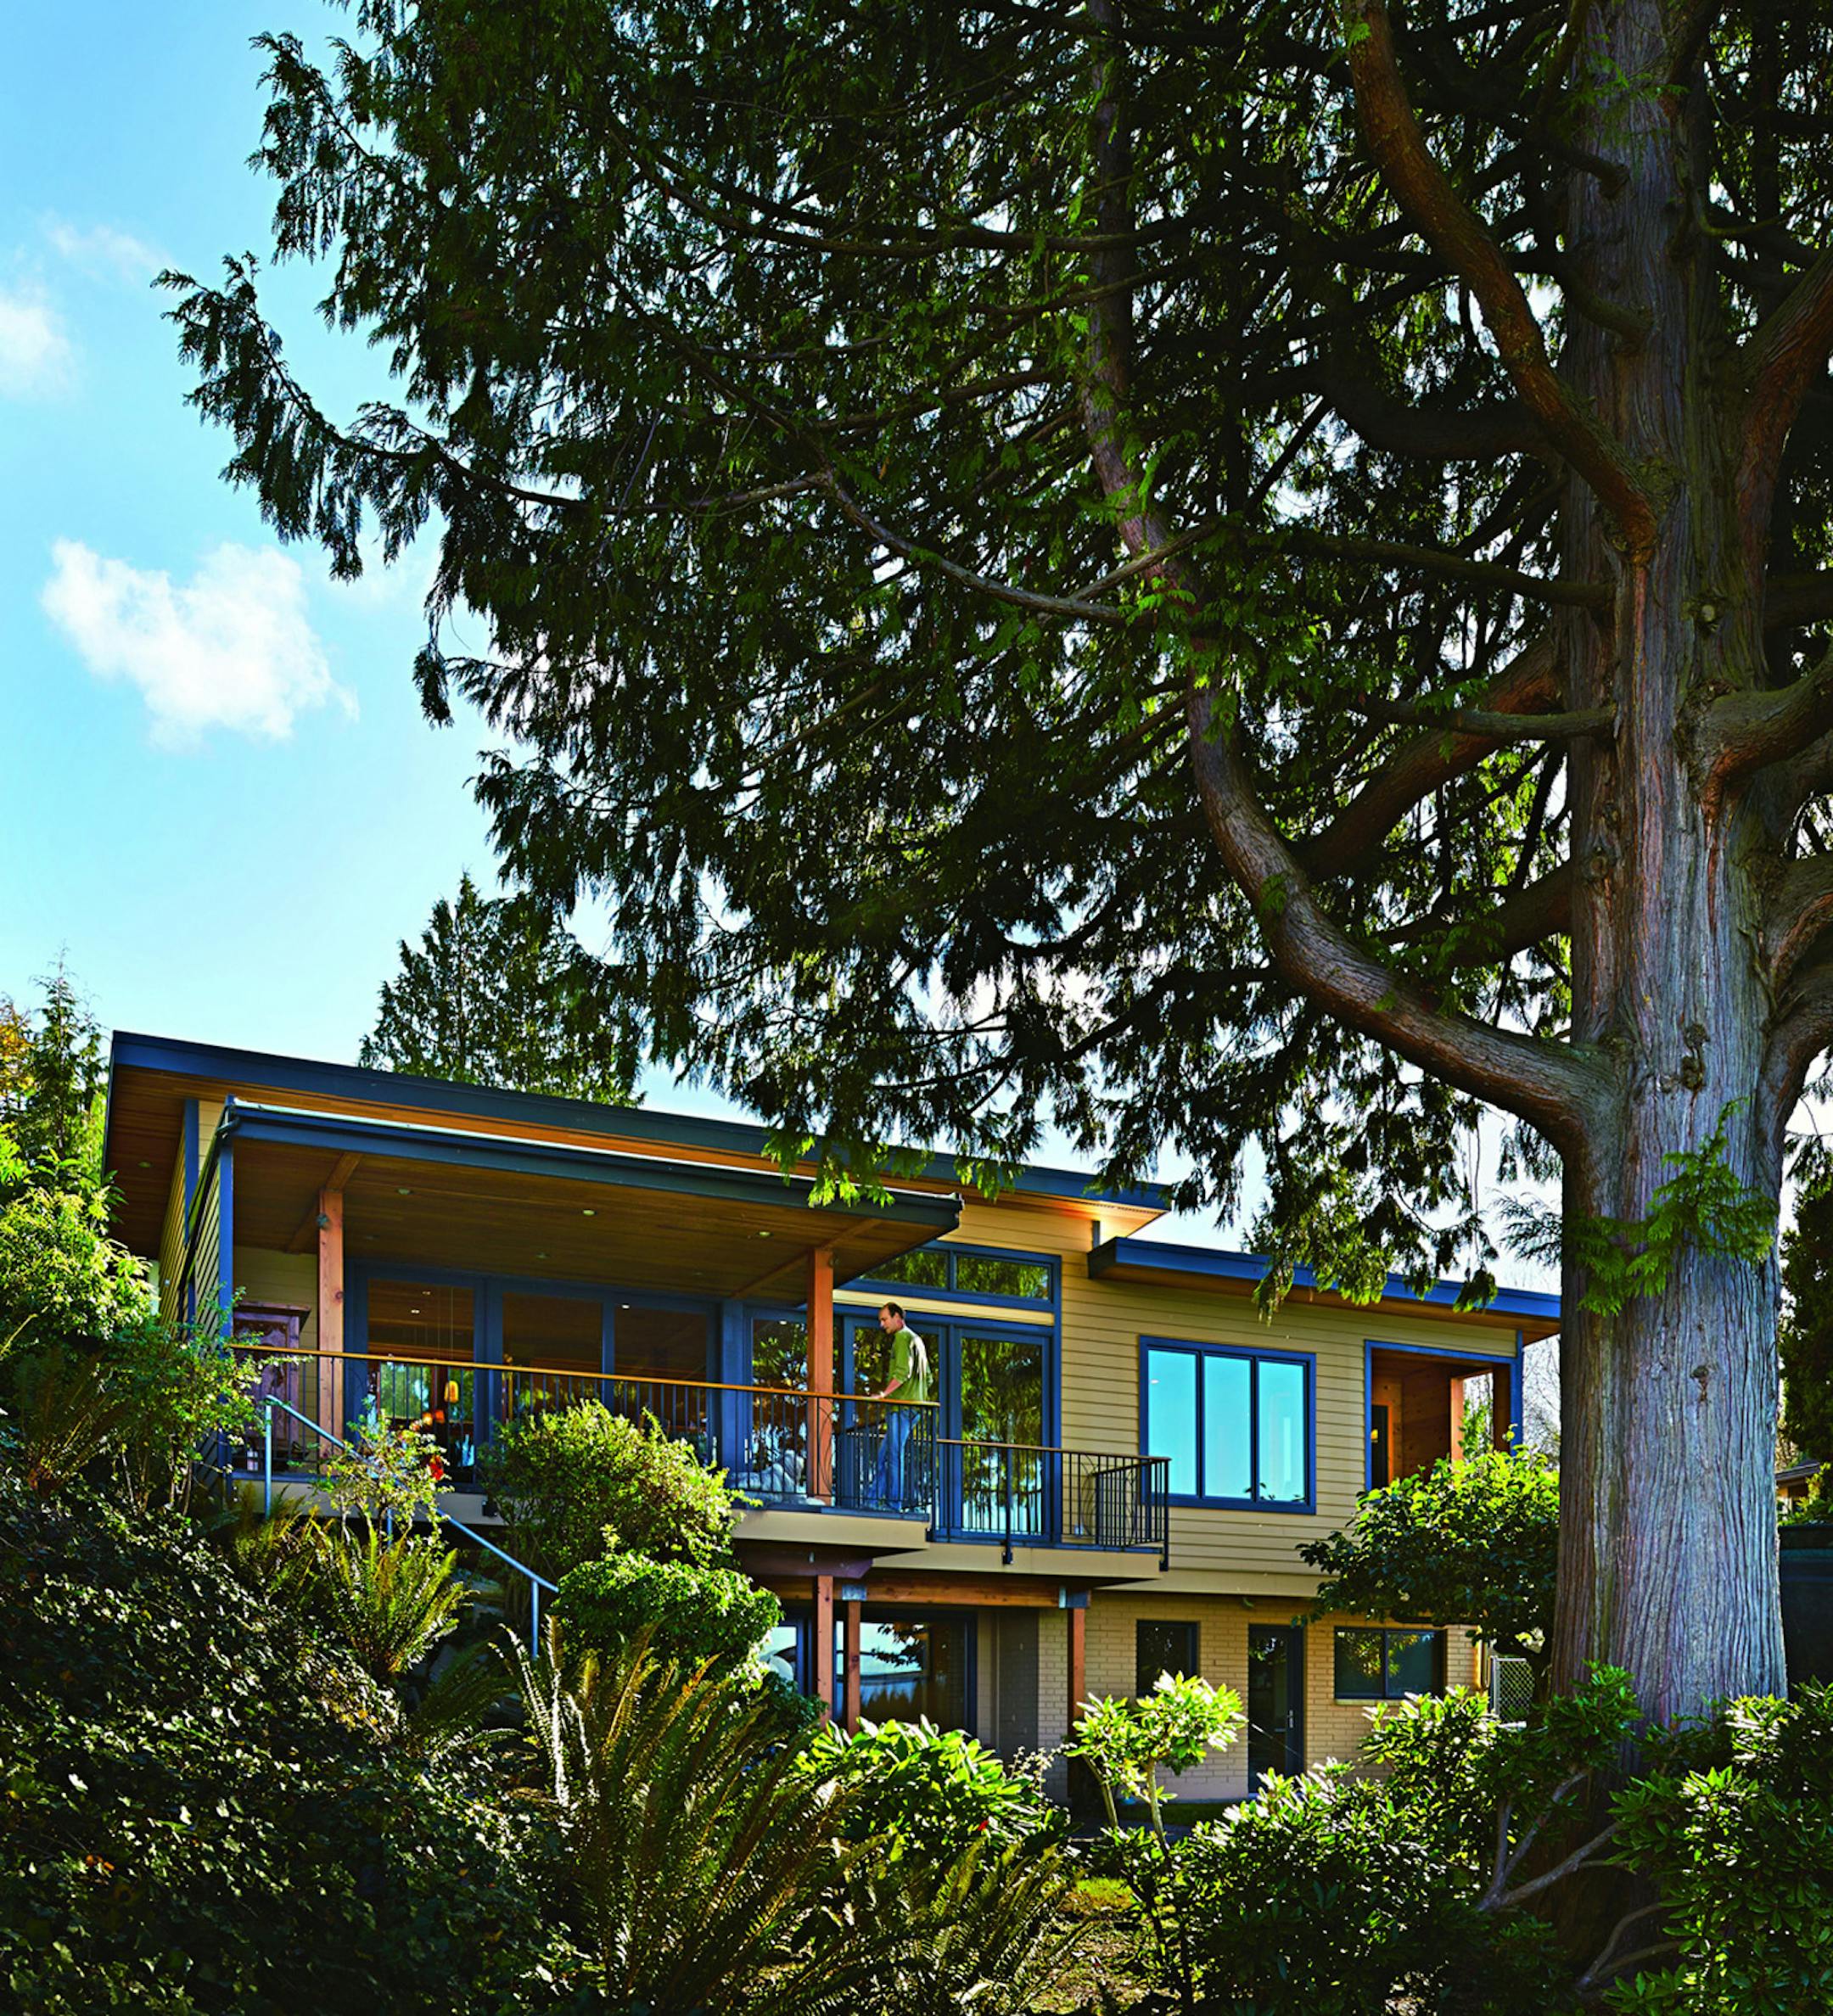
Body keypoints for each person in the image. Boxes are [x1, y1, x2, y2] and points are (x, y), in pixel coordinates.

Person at [872, 1301, 932, 1509]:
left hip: (901, 1407)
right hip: (914, 1408)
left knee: (893, 1456)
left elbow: (903, 1373)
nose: (882, 1325)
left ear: (898, 1318)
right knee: (884, 1455)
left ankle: (893, 1504)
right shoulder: (918, 1341)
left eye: (885, 1319)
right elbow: (929, 1379)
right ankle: (872, 1500)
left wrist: (883, 1394)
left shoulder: (902, 1337)